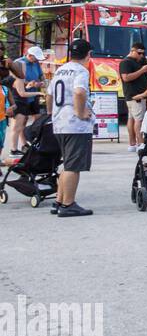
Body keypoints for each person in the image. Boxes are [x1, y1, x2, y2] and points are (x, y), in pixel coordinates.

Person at [50, 39, 95, 217]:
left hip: (59, 122)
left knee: (66, 164)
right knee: (73, 166)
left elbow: (49, 95)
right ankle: (68, 204)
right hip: (75, 126)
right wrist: (81, 112)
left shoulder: (60, 70)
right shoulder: (81, 71)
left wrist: (51, 113)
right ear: (88, 54)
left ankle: (59, 201)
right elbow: (79, 91)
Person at [8, 45, 47, 160]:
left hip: (30, 95)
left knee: (27, 121)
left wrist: (41, 83)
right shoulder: (19, 64)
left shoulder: (35, 63)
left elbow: (41, 76)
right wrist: (34, 89)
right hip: (21, 98)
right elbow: (21, 92)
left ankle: (24, 144)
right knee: (18, 125)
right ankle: (14, 149)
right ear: (29, 55)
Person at [118, 41, 147, 151]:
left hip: (135, 95)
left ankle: (133, 144)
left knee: (132, 119)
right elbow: (126, 78)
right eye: (139, 53)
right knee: (139, 120)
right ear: (132, 51)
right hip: (135, 96)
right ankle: (140, 143)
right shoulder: (126, 62)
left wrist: (144, 70)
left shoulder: (136, 62)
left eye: (143, 53)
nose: (141, 55)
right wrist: (142, 70)